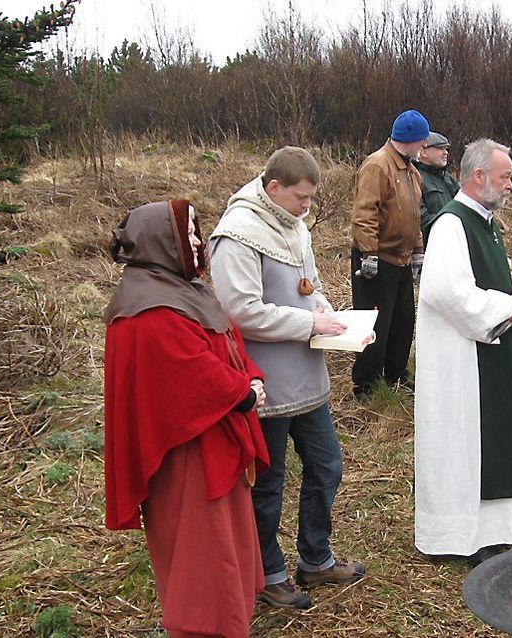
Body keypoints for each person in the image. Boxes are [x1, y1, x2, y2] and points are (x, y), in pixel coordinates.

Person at [104, 200, 270, 638]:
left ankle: (230, 622)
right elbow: (187, 373)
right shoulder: (146, 310)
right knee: (204, 554)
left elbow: (227, 342)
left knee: (224, 549)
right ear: (162, 242)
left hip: (217, 440)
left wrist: (249, 379)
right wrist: (241, 393)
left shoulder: (185, 290)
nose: (197, 243)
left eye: (196, 232)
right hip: (186, 455)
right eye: (190, 234)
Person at [208, 147, 365, 610]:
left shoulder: (293, 224)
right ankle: (268, 574)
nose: (307, 208)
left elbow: (307, 288)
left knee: (326, 466)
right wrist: (310, 324)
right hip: (266, 384)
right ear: (273, 188)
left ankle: (315, 559)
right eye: (301, 198)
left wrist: (332, 316)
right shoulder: (237, 235)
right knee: (269, 482)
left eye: (311, 199)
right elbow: (241, 312)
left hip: (307, 376)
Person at [414, 138, 512, 564]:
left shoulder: (484, 222)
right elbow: (446, 291)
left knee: (496, 435)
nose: (510, 186)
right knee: (466, 442)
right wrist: (507, 306)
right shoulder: (452, 224)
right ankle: (461, 535)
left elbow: (486, 276)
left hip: (491, 348)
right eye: (504, 178)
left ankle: (499, 527)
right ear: (479, 176)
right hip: (461, 359)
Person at [351, 109, 430, 399]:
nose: (424, 147)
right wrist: (368, 253)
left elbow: (414, 218)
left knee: (402, 322)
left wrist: (418, 253)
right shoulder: (377, 166)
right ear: (410, 139)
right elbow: (364, 213)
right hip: (378, 260)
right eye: (422, 141)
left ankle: (395, 375)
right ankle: (366, 385)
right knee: (374, 325)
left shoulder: (412, 172)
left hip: (402, 260)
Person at [414, 131, 460, 240]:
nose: (445, 153)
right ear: (423, 152)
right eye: (440, 149)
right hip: (431, 244)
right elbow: (420, 217)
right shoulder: (414, 177)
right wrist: (450, 228)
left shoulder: (448, 178)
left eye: (446, 149)